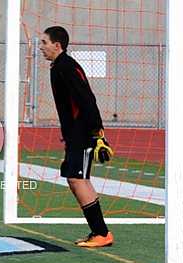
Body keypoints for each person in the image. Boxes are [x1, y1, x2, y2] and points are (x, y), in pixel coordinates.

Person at [39, 26, 114, 247]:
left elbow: (87, 100)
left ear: (57, 45)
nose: (41, 47)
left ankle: (102, 234)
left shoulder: (67, 67)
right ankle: (99, 233)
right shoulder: (58, 66)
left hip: (83, 133)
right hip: (75, 134)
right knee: (77, 179)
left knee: (77, 179)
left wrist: (97, 134)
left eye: (44, 42)